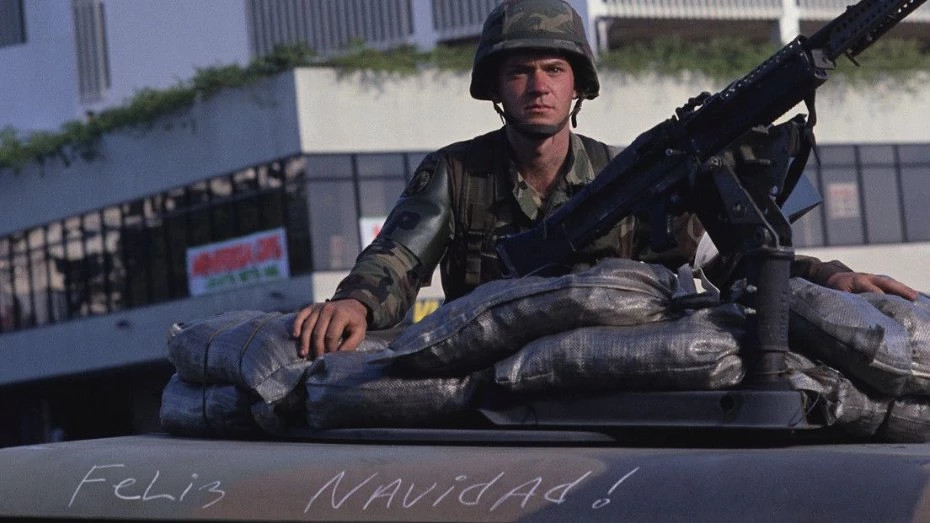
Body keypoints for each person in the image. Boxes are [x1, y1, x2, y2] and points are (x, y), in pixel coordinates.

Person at [293, 0, 917, 359]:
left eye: (553, 69)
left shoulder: (628, 176)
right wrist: (357, 302)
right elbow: (397, 257)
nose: (538, 86)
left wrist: (829, 277)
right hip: (485, 382)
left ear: (577, 86)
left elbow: (728, 258)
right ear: (496, 89)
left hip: (606, 382)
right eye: (520, 72)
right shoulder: (456, 173)